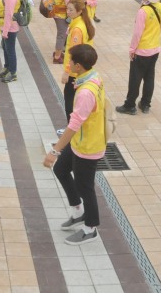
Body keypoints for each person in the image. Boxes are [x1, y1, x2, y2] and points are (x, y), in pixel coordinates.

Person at [44, 43, 106, 247]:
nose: (68, 63)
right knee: (61, 170)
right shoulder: (92, 76)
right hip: (81, 141)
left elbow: (73, 124)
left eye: (70, 61)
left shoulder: (86, 91)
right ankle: (78, 211)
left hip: (88, 146)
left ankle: (90, 228)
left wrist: (54, 150)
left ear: (78, 66)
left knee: (85, 187)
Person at [116, 0, 161, 115]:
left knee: (135, 78)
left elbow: (137, 33)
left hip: (142, 50)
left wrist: (132, 49)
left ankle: (130, 105)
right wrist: (154, 34)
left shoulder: (143, 11)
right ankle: (145, 104)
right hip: (155, 49)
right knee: (149, 77)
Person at [61, 0, 95, 120]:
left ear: (80, 11)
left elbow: (74, 54)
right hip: (80, 70)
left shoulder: (77, 29)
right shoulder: (79, 22)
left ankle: (71, 132)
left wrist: (66, 72)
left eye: (71, 10)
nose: (68, 12)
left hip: (74, 72)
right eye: (67, 9)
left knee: (70, 102)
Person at [46, 0, 82, 64]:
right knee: (62, 35)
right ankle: (57, 56)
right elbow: (69, 4)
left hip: (57, 13)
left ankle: (58, 52)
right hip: (61, 15)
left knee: (61, 34)